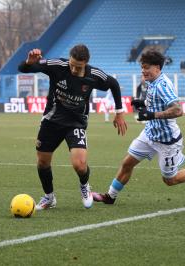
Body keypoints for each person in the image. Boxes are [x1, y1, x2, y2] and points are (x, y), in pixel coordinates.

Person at [92, 50, 185, 205]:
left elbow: (178, 110)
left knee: (170, 180)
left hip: (167, 140)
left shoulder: (162, 86)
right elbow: (156, 102)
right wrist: (143, 103)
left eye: (146, 67)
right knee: (127, 163)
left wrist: (153, 115)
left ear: (157, 68)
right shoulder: (153, 81)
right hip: (149, 134)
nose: (143, 71)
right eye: (142, 68)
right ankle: (110, 197)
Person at [18, 44, 127, 210]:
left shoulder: (94, 75)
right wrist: (28, 62)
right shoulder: (57, 66)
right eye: (72, 65)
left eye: (79, 67)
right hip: (51, 121)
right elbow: (24, 69)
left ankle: (84, 187)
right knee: (42, 162)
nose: (74, 69)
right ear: (69, 59)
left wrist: (119, 112)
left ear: (86, 63)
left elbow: (113, 84)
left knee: (80, 165)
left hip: (76, 122)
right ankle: (49, 198)